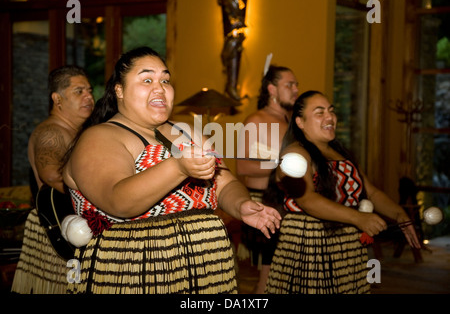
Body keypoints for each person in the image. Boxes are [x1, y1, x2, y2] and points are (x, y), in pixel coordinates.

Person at [61, 46, 282, 294]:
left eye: (165, 80)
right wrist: (178, 166)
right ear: (119, 90)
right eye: (147, 79)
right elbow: (118, 201)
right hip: (133, 273)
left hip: (206, 269)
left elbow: (224, 182)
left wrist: (241, 205)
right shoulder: (99, 137)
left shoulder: (188, 131)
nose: (160, 87)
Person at [265, 90, 421, 294]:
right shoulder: (296, 153)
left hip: (347, 247)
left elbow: (371, 192)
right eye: (319, 112)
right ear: (300, 122)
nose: (330, 117)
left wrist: (399, 214)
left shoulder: (340, 153)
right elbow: (307, 199)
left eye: (331, 111)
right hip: (310, 248)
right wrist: (358, 218)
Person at [12, 65, 94, 294]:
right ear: (57, 98)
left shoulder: (77, 132)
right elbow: (51, 174)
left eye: (89, 90)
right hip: (60, 236)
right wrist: (103, 195)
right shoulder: (52, 132)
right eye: (79, 91)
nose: (88, 96)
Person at [236, 65, 298, 293]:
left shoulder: (293, 121)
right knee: (268, 278)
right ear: (272, 88)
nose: (295, 89)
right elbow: (243, 165)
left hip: (290, 203)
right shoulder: (256, 120)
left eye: (296, 85)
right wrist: (281, 165)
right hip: (264, 205)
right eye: (289, 85)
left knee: (286, 278)